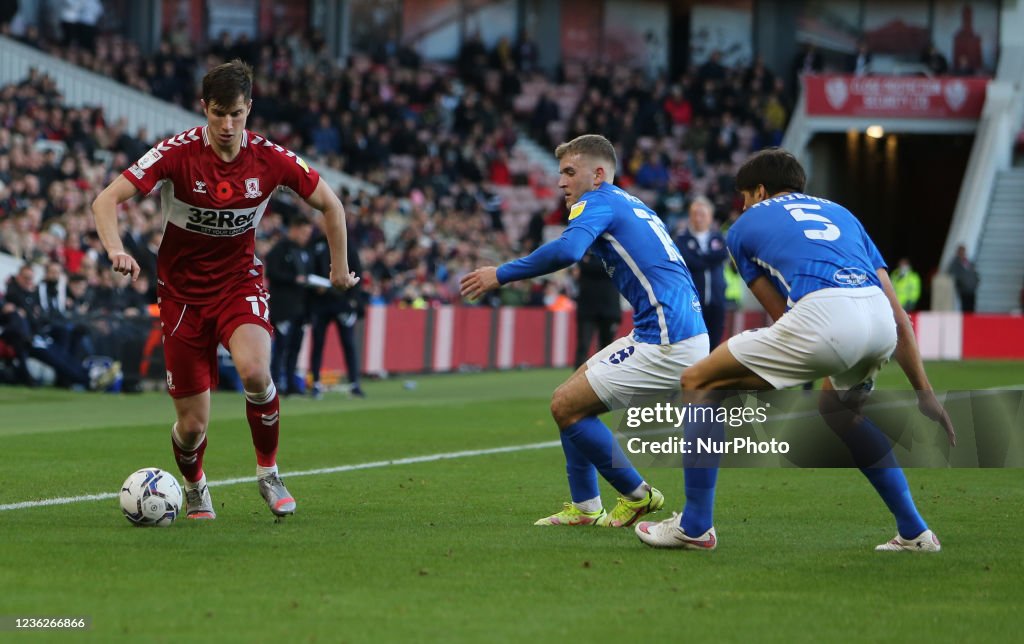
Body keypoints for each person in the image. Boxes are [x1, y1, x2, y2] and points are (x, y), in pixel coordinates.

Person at [636, 148, 955, 552]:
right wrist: (924, 392)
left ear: (761, 191)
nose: (744, 205)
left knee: (699, 380)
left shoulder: (742, 227)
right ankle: (915, 533)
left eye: (745, 196)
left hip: (825, 317)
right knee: (839, 414)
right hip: (877, 319)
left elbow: (781, 314)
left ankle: (695, 525)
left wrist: (751, 382)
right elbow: (897, 314)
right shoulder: (844, 215)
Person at [91, 60, 359, 520]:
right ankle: (195, 487)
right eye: (218, 114)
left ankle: (269, 474)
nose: (228, 125)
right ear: (204, 110)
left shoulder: (270, 158)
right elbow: (105, 200)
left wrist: (339, 268)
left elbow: (331, 204)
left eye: (236, 113)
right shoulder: (176, 153)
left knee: (256, 372)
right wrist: (116, 250)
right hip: (180, 296)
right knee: (192, 427)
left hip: (239, 284)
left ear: (249, 109)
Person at [461, 134, 709, 528]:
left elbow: (567, 251)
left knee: (566, 405)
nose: (561, 182)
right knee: (570, 397)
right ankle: (586, 507)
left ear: (597, 175)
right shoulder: (628, 201)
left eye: (569, 172)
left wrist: (501, 273)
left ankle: (638, 496)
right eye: (560, 173)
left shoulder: (598, 201)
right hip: (668, 330)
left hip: (668, 336)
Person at [308, 229, 365, 398]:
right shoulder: (316, 244)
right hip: (321, 303)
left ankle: (354, 383)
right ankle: (316, 383)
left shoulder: (348, 244)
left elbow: (357, 272)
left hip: (342, 304)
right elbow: (308, 269)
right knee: (318, 343)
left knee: (348, 344)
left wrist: (352, 300)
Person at [265, 214, 314, 396]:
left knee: (295, 347)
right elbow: (272, 273)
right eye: (303, 232)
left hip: (300, 307)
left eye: (308, 233)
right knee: (281, 347)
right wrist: (294, 279)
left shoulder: (305, 251)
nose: (306, 237)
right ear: (293, 230)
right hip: (283, 307)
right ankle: (276, 383)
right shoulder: (279, 249)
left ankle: (291, 383)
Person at [675, 196, 728, 347]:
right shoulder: (682, 239)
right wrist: (709, 258)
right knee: (694, 343)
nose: (698, 218)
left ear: (710, 217)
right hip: (693, 302)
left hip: (717, 299)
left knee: (715, 342)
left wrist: (700, 258)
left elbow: (722, 255)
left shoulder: (718, 237)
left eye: (702, 214)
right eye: (695, 214)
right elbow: (690, 262)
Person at [572, 251, 621, 369]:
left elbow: (611, 270)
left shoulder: (611, 253)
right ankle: (578, 381)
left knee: (606, 348)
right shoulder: (586, 252)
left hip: (608, 309)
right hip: (589, 308)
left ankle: (604, 377)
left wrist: (587, 265)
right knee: (584, 345)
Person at [948, 244, 980, 313]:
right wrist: (961, 282)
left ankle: (971, 322)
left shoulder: (968, 262)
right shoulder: (955, 263)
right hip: (963, 289)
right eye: (961, 251)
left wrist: (976, 281)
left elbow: (974, 272)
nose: (963, 253)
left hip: (972, 289)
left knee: (972, 307)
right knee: (965, 307)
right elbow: (952, 273)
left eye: (963, 251)